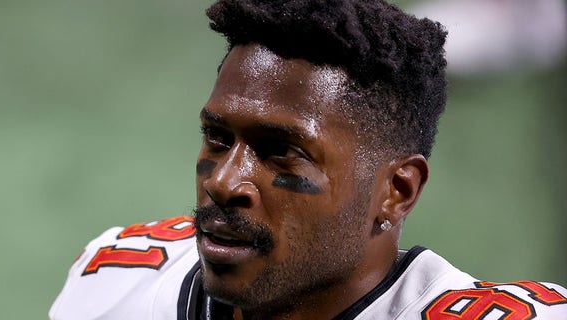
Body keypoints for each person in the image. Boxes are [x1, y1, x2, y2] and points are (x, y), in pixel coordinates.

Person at [49, 0, 567, 319]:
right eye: (217, 138)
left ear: (398, 191)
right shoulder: (114, 283)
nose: (226, 181)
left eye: (282, 153)